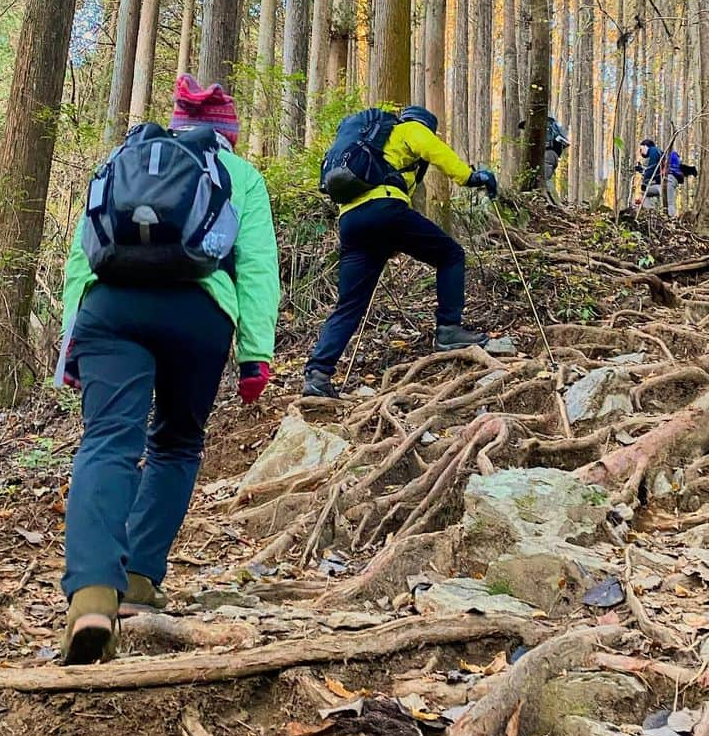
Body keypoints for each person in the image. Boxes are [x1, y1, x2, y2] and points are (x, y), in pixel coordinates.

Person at [57, 75, 280, 664]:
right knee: (176, 443)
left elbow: (82, 254)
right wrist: (256, 354)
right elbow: (256, 266)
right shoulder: (241, 177)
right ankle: (137, 580)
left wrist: (71, 343)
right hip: (198, 314)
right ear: (226, 134)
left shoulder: (123, 160)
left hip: (110, 307)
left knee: (106, 440)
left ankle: (91, 595)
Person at [303, 105, 497, 399]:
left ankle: (318, 374)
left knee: (350, 304)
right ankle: (448, 329)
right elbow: (437, 152)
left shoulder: (371, 143)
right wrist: (471, 178)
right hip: (385, 209)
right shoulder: (408, 129)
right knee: (451, 255)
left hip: (350, 221)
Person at [516, 115, 570, 181]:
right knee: (541, 179)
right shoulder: (550, 127)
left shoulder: (541, 128)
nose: (526, 130)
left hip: (547, 155)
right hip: (552, 155)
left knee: (543, 180)